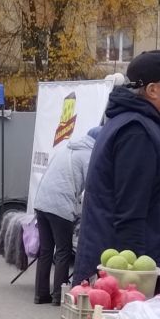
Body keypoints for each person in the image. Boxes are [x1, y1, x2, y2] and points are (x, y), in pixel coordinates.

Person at [72, 50, 160, 283]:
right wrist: (134, 282)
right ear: (152, 90)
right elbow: (130, 214)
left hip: (122, 266)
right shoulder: (137, 132)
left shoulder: (135, 124)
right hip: (128, 272)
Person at [30, 126, 94, 305]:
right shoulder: (89, 156)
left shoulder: (66, 148)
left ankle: (40, 295)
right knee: (64, 251)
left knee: (45, 251)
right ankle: (58, 295)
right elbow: (91, 185)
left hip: (42, 202)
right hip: (61, 206)